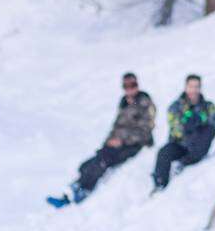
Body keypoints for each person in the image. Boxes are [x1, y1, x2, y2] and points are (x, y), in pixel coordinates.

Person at [46, 72, 156, 208]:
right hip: (117, 144)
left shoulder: (144, 102)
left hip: (135, 145)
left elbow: (145, 131)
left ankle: (83, 190)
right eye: (126, 86)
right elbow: (115, 127)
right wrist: (109, 142)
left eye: (132, 85)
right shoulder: (124, 103)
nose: (129, 88)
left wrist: (121, 140)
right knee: (86, 165)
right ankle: (70, 192)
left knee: (103, 160)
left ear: (137, 85)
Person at [152, 74, 215, 191]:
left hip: (198, 146)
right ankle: (159, 185)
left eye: (196, 86)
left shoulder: (207, 106)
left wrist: (203, 121)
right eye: (191, 86)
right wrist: (188, 126)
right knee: (163, 153)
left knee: (209, 130)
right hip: (180, 144)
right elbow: (175, 129)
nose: (194, 90)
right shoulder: (176, 106)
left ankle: (185, 163)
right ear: (186, 87)